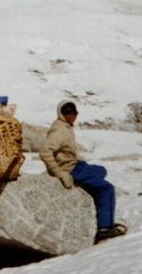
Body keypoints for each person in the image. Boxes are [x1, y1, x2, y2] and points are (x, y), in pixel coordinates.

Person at [40, 100, 126, 242]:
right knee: (107, 188)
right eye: (68, 111)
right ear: (61, 113)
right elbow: (45, 151)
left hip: (76, 164)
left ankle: (98, 203)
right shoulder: (59, 130)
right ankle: (104, 227)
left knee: (101, 170)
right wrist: (60, 173)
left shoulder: (66, 126)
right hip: (70, 169)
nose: (72, 114)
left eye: (74, 111)